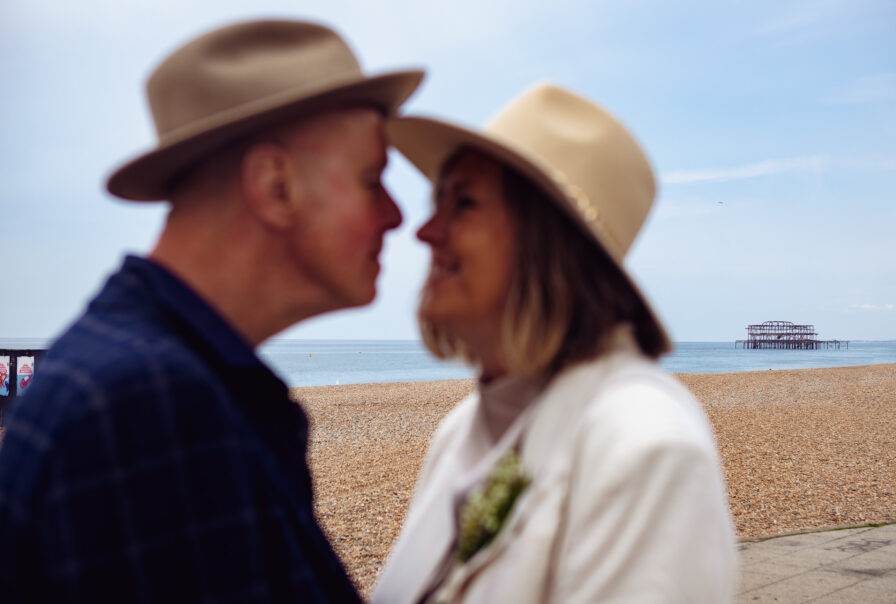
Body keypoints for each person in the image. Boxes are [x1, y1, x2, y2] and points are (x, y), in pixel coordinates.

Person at [0, 20, 422, 602]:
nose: (397, 216)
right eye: (372, 180)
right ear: (275, 187)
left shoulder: (140, 372)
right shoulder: (148, 405)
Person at [373, 84, 737, 603]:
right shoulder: (460, 431)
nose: (425, 231)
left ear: (546, 242)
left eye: (464, 203)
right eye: (439, 201)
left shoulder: (645, 446)